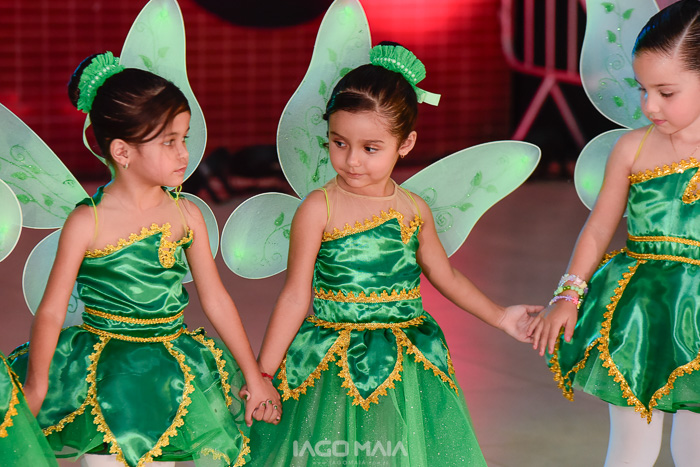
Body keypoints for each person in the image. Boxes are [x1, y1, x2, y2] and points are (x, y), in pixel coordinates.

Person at [246, 43, 541, 466]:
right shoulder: (318, 208)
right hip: (332, 355)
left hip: (406, 358)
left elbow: (446, 276)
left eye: (371, 148)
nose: (351, 161)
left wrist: (500, 316)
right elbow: (295, 295)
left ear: (406, 143)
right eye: (339, 143)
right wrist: (264, 373)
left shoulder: (413, 210)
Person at [8, 52, 280, 467]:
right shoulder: (87, 221)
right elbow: (51, 311)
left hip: (168, 371)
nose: (184, 153)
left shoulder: (186, 214)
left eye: (184, 138)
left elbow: (216, 299)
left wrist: (253, 375)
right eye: (169, 142)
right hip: (101, 373)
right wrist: (37, 387)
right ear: (122, 151)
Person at [532, 2, 700, 466]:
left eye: (666, 92)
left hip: (698, 313)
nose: (649, 106)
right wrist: (568, 295)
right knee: (631, 445)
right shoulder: (632, 148)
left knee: (696, 446)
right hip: (638, 313)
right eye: (643, 89)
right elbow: (598, 228)